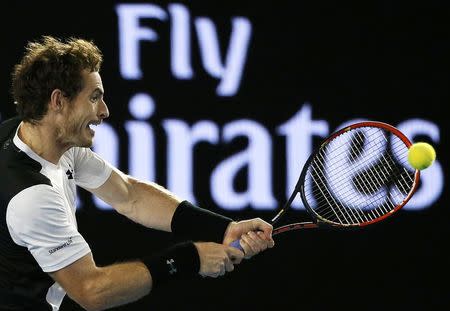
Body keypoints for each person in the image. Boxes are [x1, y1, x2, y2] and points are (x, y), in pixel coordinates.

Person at [0, 36, 274, 311]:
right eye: (94, 97)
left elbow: (129, 195)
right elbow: (91, 290)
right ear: (58, 100)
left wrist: (221, 229)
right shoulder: (32, 197)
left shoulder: (38, 137)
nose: (104, 111)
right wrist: (189, 259)